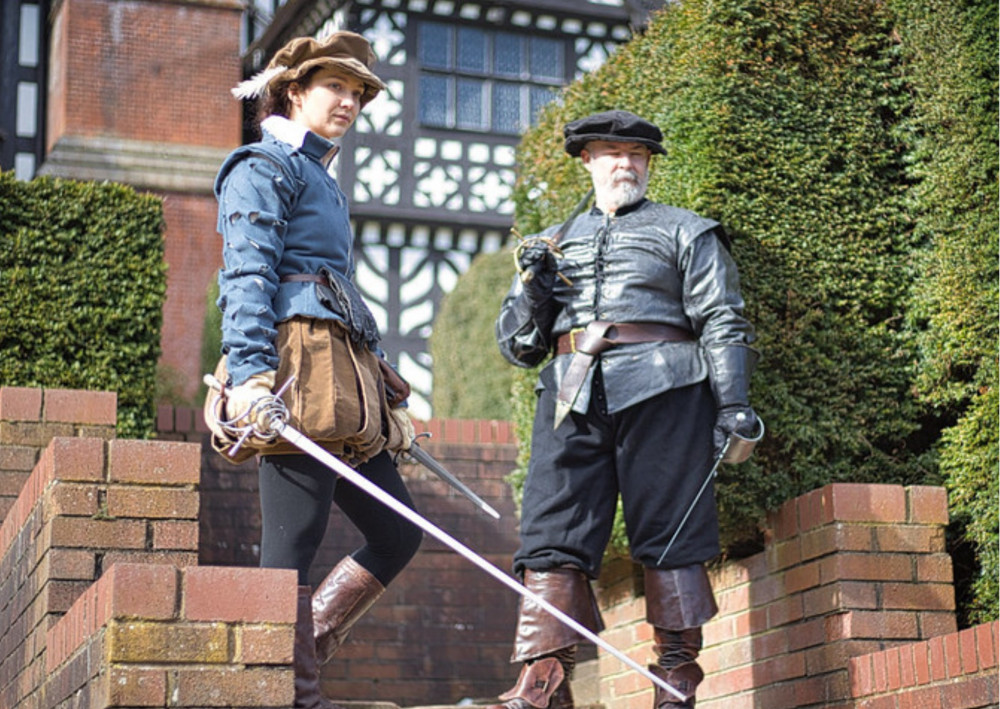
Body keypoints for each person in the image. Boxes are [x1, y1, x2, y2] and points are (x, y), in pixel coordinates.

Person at [490, 110, 760, 709]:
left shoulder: (688, 231)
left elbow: (722, 319)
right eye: (611, 153)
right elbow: (518, 347)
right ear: (587, 160)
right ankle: (544, 685)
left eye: (636, 154)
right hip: (569, 393)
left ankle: (675, 683)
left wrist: (734, 403)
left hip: (667, 392)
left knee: (672, 535)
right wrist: (534, 290)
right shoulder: (549, 244)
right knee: (549, 536)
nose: (625, 164)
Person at [202, 32, 422, 709]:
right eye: (337, 88)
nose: (351, 102)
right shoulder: (261, 165)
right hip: (294, 371)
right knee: (291, 545)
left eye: (359, 94)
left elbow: (338, 291)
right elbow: (247, 274)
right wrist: (253, 377)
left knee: (398, 530)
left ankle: (295, 662)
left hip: (346, 381)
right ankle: (287, 694)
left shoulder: (320, 176)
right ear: (294, 91)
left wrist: (386, 389)